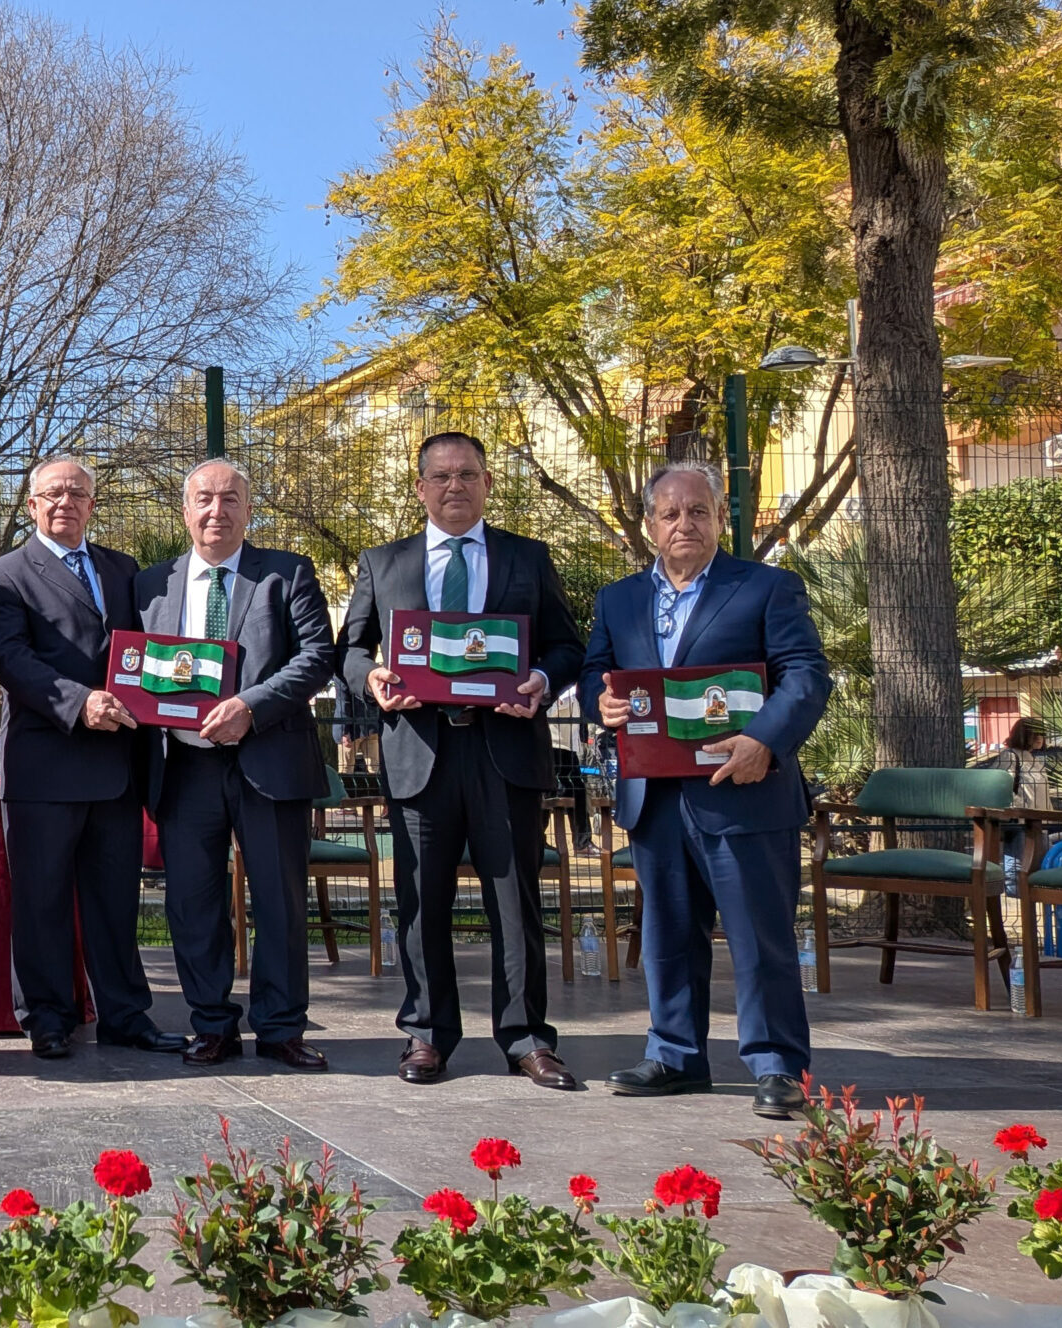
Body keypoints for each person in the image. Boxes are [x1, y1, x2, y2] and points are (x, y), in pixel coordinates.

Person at [580, 462, 829, 1119]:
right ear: (649, 524)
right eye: (670, 513)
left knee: (759, 936)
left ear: (720, 517)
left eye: (698, 511)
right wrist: (597, 707)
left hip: (744, 789)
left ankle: (777, 1067)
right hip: (654, 797)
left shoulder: (768, 588)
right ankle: (675, 1056)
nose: (684, 524)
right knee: (665, 935)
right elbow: (593, 676)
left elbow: (806, 674)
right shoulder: (619, 600)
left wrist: (765, 741)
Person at [338, 431, 585, 1091]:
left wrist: (539, 678)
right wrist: (372, 679)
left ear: (487, 483)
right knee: (420, 903)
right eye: (441, 476)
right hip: (420, 753)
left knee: (516, 903)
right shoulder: (382, 563)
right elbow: (351, 648)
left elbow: (567, 645)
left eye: (468, 474)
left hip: (504, 751)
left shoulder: (527, 559)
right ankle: (426, 1035)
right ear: (420, 488)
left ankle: (528, 1038)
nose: (455, 486)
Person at [0, 455, 186, 1061]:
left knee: (114, 900)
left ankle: (125, 1014)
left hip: (117, 766)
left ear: (93, 505)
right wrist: (78, 702)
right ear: (32, 504)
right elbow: (10, 660)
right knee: (41, 900)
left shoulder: (124, 570)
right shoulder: (6, 575)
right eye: (54, 493)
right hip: (47, 765)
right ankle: (46, 1016)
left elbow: (149, 652)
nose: (66, 502)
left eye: (78, 494)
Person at [133, 459, 339, 1069]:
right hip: (184, 766)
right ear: (185, 510)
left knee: (280, 900)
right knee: (193, 903)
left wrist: (251, 706)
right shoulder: (151, 584)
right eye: (204, 499)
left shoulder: (287, 574)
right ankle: (212, 1024)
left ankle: (280, 1028)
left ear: (249, 510)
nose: (216, 511)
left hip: (267, 759)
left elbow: (318, 657)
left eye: (229, 500)